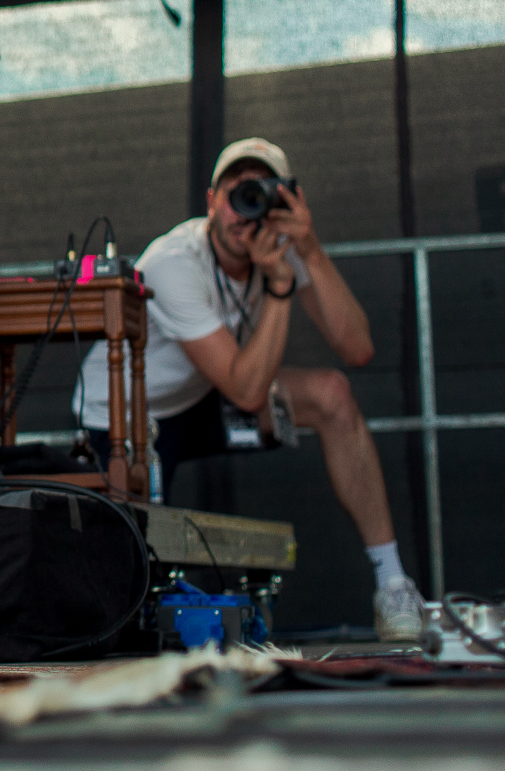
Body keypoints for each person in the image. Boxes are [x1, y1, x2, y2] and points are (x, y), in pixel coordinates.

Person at [77, 138, 426, 642]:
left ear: (283, 199)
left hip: (203, 394)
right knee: (127, 580)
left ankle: (392, 581)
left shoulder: (279, 241)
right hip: (125, 415)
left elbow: (358, 348)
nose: (246, 212)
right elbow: (245, 391)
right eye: (235, 195)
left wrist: (308, 248)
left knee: (332, 394)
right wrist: (280, 287)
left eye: (259, 194)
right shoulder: (173, 261)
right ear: (210, 201)